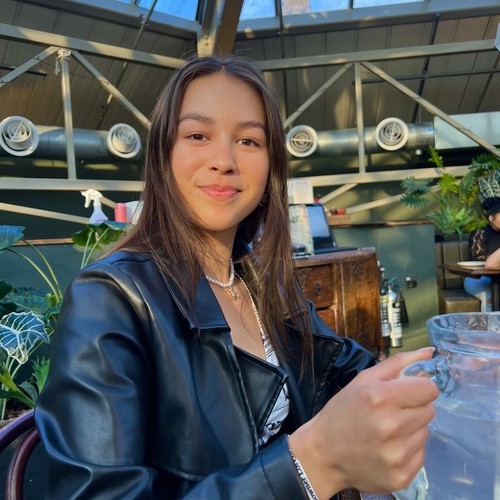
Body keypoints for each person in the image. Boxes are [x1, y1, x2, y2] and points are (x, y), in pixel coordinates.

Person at [35, 54, 438, 499]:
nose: (224, 160)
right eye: (197, 135)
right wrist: (313, 464)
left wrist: (453, 370)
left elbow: (342, 365)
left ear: (271, 166)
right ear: (163, 154)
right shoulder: (110, 299)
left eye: (248, 141)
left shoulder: (262, 281)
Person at [464, 196, 500, 312]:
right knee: (489, 296)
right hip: (479, 279)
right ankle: (488, 323)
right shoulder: (480, 234)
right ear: (491, 218)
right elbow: (477, 259)